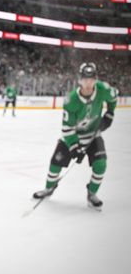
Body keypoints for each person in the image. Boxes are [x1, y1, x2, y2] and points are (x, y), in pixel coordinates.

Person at [33, 62, 117, 209]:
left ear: (96, 79)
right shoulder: (71, 100)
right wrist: (74, 147)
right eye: (85, 79)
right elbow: (67, 128)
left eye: (92, 79)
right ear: (80, 80)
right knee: (55, 162)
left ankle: (92, 193)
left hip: (93, 135)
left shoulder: (103, 89)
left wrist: (110, 113)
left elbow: (114, 97)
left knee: (101, 164)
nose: (88, 82)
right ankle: (49, 187)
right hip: (73, 137)